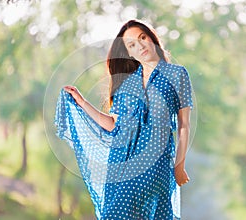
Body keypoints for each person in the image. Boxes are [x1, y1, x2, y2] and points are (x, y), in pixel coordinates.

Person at [55, 19, 193, 220]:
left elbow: (184, 126)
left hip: (155, 164)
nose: (140, 46)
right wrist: (82, 103)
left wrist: (179, 165)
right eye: (132, 45)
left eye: (142, 38)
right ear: (129, 53)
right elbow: (113, 124)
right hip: (119, 164)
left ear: (152, 38)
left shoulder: (177, 74)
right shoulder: (127, 82)